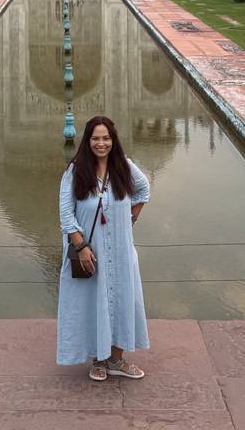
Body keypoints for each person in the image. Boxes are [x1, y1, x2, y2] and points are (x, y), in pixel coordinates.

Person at [57, 115, 150, 382]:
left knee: (122, 301)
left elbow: (144, 191)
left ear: (113, 140)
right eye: (96, 138)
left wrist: (130, 219)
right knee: (92, 302)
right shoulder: (74, 172)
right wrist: (81, 246)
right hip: (90, 252)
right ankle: (98, 358)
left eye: (106, 138)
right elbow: (66, 216)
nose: (101, 143)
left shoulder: (125, 168)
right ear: (87, 141)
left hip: (120, 251)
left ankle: (116, 360)